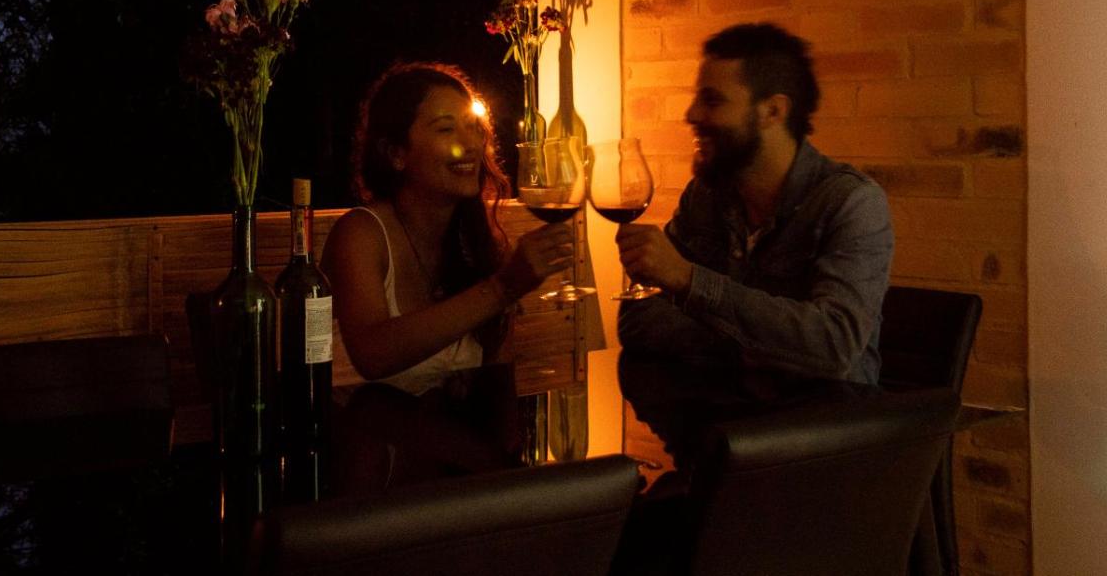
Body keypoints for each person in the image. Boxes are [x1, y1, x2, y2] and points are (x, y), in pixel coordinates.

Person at [615, 23, 892, 385]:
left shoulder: (851, 203)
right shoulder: (705, 195)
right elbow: (638, 320)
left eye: (713, 100)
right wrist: (760, 345)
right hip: (724, 411)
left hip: (825, 418)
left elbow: (832, 348)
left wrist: (688, 279)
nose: (691, 114)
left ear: (773, 112)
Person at [326, 61, 574, 396]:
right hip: (362, 426)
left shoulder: (476, 240)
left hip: (453, 430)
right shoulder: (360, 233)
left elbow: (498, 383)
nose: (471, 144)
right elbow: (373, 355)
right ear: (396, 153)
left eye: (473, 127)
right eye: (446, 129)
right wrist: (504, 287)